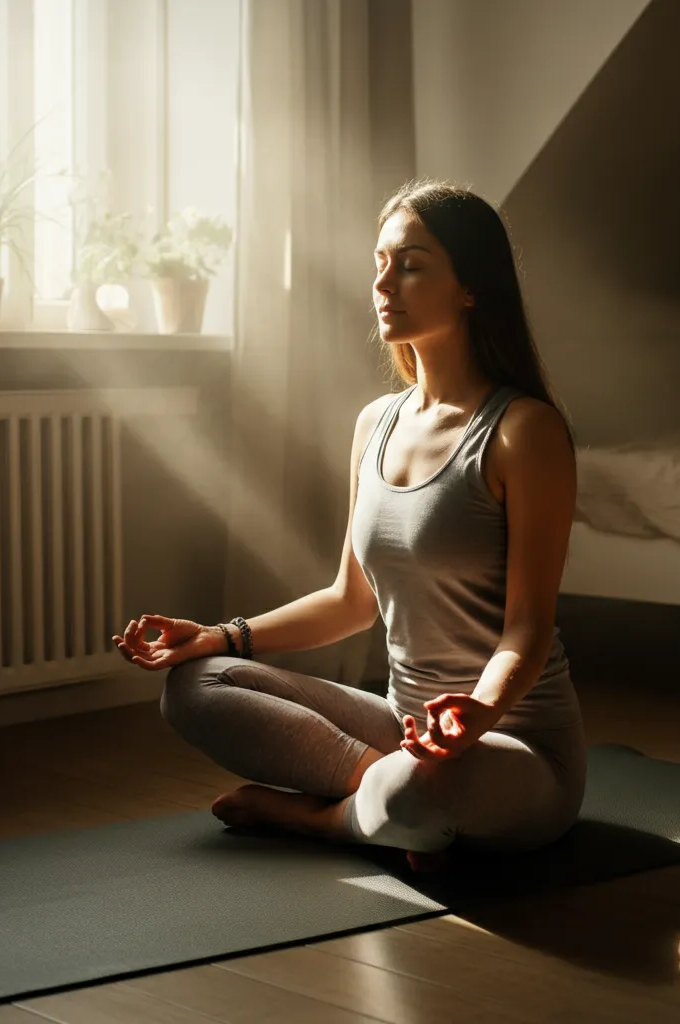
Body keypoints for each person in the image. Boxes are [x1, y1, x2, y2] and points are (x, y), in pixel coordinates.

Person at [112, 179, 587, 874]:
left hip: (515, 747)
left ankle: (328, 818)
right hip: (402, 728)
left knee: (418, 786)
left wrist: (480, 713)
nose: (383, 283)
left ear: (470, 288)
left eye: (412, 264)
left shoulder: (523, 431)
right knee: (194, 686)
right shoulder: (376, 423)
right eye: (379, 263)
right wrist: (217, 636)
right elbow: (349, 601)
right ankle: (397, 806)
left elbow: (529, 629)